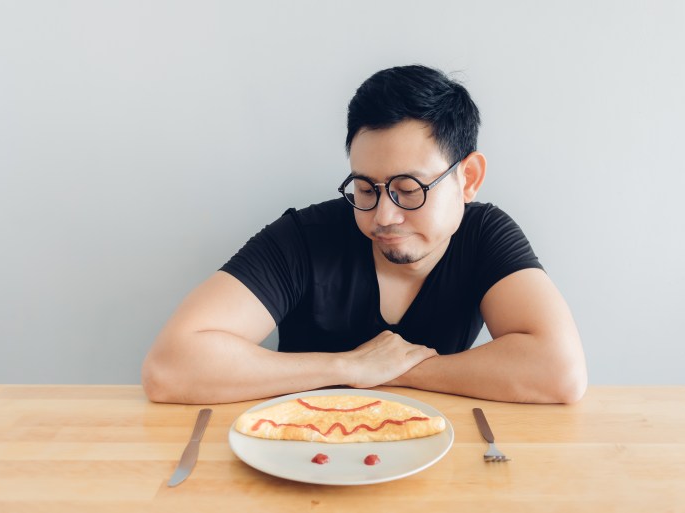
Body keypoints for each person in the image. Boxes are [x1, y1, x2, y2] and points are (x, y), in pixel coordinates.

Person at [142, 65, 587, 405]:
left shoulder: (486, 235)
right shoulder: (305, 237)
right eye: (365, 189)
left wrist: (396, 372)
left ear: (467, 178)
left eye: (408, 190)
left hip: (427, 453)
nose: (384, 215)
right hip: (301, 455)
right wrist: (347, 366)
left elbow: (560, 371)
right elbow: (170, 366)